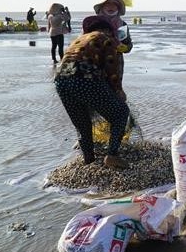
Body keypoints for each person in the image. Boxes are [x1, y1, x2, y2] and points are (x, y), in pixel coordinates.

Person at [54, 15, 130, 169]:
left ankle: (88, 160)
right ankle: (112, 155)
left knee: (82, 124)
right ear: (108, 30)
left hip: (60, 80)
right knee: (121, 113)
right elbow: (112, 67)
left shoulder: (79, 39)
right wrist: (118, 90)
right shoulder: (106, 38)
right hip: (84, 77)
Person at [93, 0, 133, 77]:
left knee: (115, 89)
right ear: (102, 6)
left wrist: (126, 48)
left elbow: (128, 44)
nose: (111, 7)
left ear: (118, 7)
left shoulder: (122, 25)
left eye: (114, 4)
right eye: (107, 4)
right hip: (96, 67)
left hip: (116, 66)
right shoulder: (93, 23)